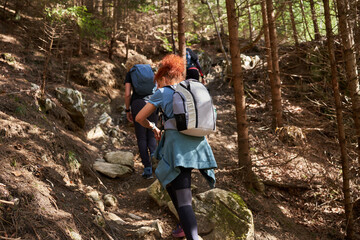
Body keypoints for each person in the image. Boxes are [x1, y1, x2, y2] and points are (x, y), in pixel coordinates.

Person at [135, 54, 217, 239]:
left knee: (184, 199)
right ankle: (183, 225)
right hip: (198, 145)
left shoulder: (163, 92)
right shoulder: (193, 90)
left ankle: (193, 236)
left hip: (177, 150)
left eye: (157, 82)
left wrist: (153, 126)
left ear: (163, 78)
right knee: (170, 180)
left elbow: (140, 117)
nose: (157, 86)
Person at [124, 55, 158, 179]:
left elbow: (127, 94)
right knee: (152, 133)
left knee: (141, 137)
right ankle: (156, 163)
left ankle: (147, 169)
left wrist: (127, 109)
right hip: (152, 103)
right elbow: (158, 88)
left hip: (137, 104)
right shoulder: (150, 70)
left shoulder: (130, 73)